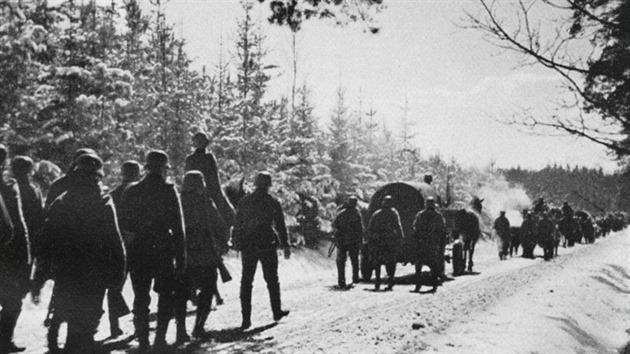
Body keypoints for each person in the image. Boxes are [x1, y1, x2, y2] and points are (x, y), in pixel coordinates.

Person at [37, 153, 126, 353]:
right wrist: (118, 273)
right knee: (86, 323)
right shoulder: (103, 202)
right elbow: (115, 242)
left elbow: (46, 240)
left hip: (69, 272)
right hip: (93, 273)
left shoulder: (62, 202)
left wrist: (43, 271)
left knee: (71, 317)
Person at [118, 150, 186, 352]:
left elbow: (122, 225)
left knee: (141, 298)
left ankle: (144, 342)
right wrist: (181, 258)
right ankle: (160, 340)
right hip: (163, 250)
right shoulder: (168, 191)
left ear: (147, 168)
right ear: (163, 169)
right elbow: (178, 227)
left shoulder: (131, 191)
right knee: (166, 296)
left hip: (138, 251)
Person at [232, 171, 290, 330]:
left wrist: (237, 242)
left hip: (249, 244)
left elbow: (237, 224)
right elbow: (280, 225)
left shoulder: (245, 201)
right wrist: (286, 245)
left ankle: (246, 320)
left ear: (256, 183)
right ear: (268, 185)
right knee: (272, 279)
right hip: (267, 243)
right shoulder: (272, 201)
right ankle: (276, 312)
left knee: (246, 281)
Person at [176, 171, 227, 339]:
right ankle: (198, 327)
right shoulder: (206, 203)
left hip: (182, 256)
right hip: (205, 255)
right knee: (208, 290)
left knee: (181, 294)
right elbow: (219, 226)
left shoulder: (177, 201)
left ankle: (181, 331)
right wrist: (221, 245)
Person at [0, 146, 31, 354]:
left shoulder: (10, 186)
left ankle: (4, 341)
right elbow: (17, 227)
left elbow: (18, 225)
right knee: (12, 301)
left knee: (12, 302)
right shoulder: (10, 187)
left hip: (10, 254)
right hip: (9, 254)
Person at [105, 160, 141, 338]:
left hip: (117, 245)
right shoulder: (141, 192)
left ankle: (114, 326)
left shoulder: (113, 194)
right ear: (138, 173)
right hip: (138, 245)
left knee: (115, 287)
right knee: (140, 287)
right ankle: (138, 324)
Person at [185, 131, 235, 227]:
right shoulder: (190, 159)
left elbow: (214, 178)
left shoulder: (209, 157)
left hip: (211, 190)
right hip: (194, 191)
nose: (200, 143)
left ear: (205, 143)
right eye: (197, 141)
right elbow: (188, 177)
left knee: (228, 213)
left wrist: (215, 192)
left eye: (201, 141)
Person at [366, 195, 403, 291]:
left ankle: (378, 282)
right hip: (389, 241)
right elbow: (398, 227)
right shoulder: (393, 213)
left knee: (378, 262)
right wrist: (400, 237)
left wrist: (371, 238)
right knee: (390, 262)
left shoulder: (377, 214)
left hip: (380, 241)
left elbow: (370, 228)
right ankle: (390, 281)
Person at [412, 197, 446, 293]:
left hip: (422, 243)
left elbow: (415, 228)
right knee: (434, 264)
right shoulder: (438, 216)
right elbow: (442, 231)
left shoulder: (420, 215)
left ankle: (418, 285)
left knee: (419, 265)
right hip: (433, 244)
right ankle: (434, 283)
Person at [331, 196, 363, 288]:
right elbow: (360, 229)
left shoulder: (341, 213)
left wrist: (336, 237)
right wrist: (360, 241)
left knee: (341, 262)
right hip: (352, 241)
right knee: (354, 260)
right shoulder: (356, 214)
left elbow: (334, 226)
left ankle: (341, 280)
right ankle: (355, 278)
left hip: (342, 242)